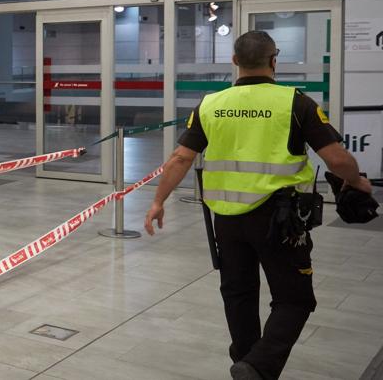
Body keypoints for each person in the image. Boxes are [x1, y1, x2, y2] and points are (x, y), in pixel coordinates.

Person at [144, 31, 374, 380]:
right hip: (279, 218)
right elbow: (337, 159)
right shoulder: (295, 103)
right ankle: (257, 365)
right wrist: (357, 181)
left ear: (235, 61)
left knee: (238, 293)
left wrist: (158, 201)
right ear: (273, 60)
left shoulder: (211, 104)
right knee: (295, 299)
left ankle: (246, 360)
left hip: (226, 218)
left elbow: (180, 157)